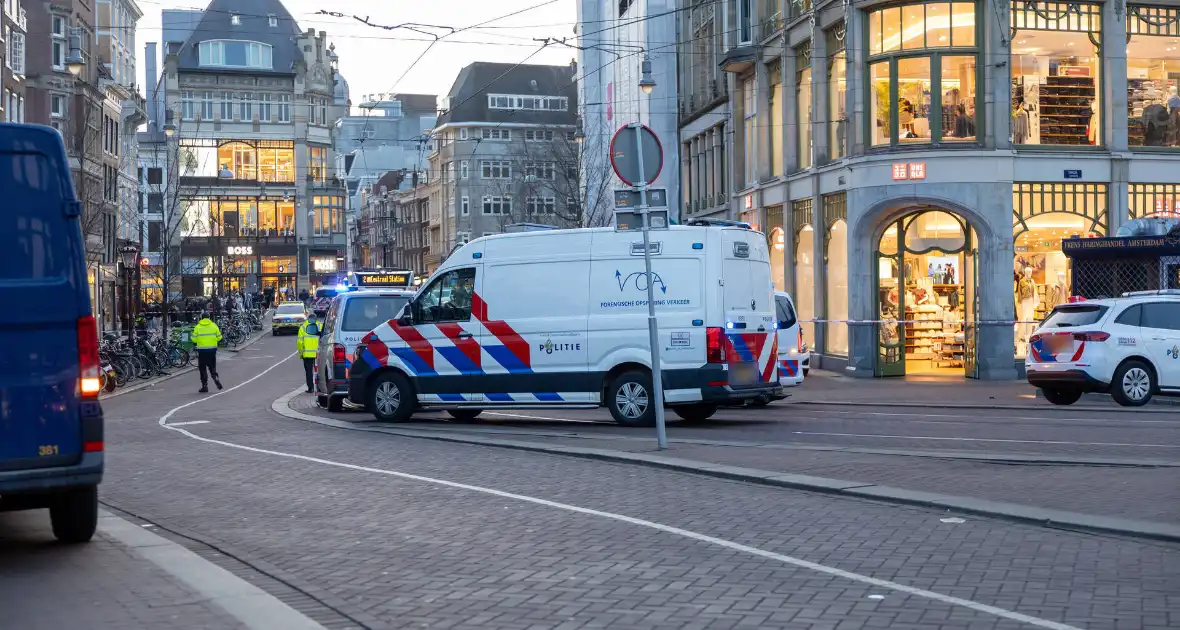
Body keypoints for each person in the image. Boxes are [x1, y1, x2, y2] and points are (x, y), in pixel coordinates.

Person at [192, 311, 223, 393]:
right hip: (212, 350)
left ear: (201, 318)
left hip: (202, 351)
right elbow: (219, 337)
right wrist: (213, 340)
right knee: (212, 367)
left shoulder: (198, 327)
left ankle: (204, 386)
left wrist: (200, 341)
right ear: (209, 318)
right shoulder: (214, 325)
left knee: (202, 368)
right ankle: (215, 376)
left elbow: (193, 339)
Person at [297, 312, 320, 393]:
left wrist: (300, 354)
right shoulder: (319, 326)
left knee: (309, 372)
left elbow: (300, 343)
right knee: (320, 371)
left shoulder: (303, 327)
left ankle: (311, 388)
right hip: (319, 353)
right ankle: (320, 387)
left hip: (307, 354)